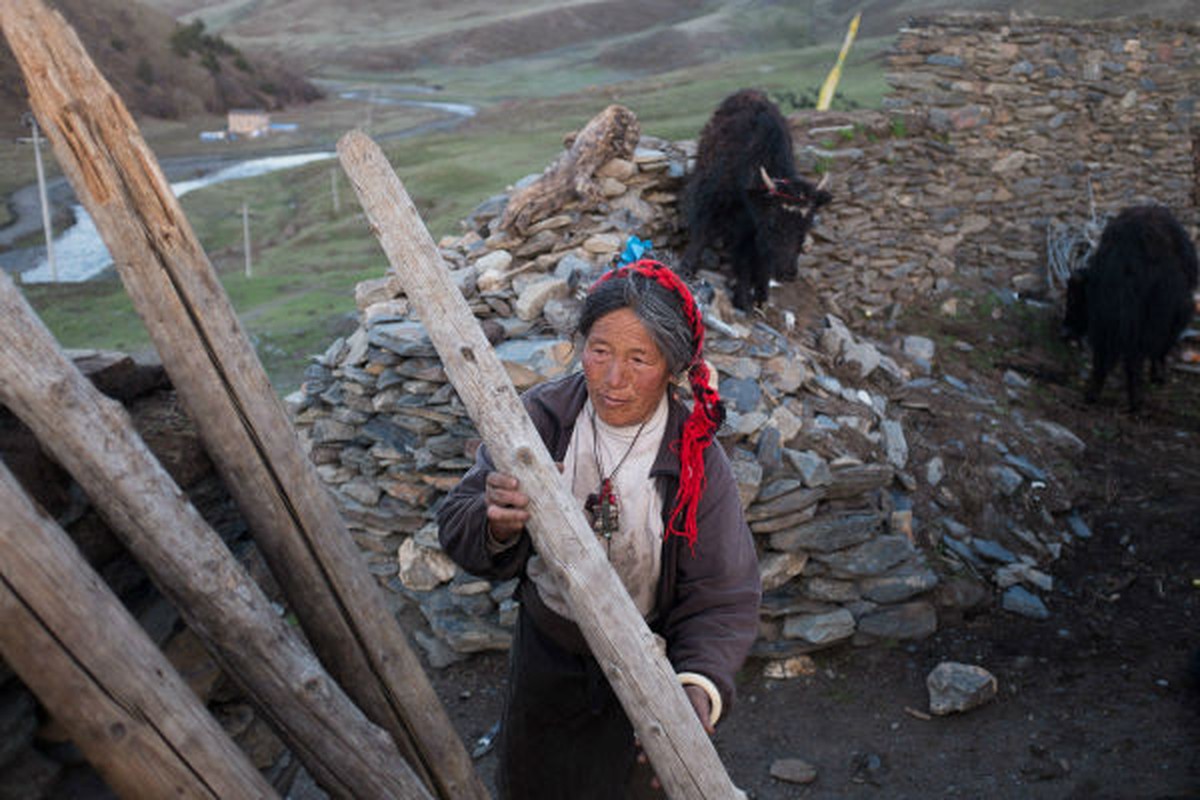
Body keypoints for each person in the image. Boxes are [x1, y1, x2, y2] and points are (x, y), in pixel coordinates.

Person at [437, 259, 761, 799]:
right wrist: (494, 522)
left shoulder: (694, 458)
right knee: (534, 784)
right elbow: (458, 518)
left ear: (673, 368)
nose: (614, 379)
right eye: (600, 351)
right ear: (580, 344)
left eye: (640, 359)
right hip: (548, 652)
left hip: (646, 667)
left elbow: (723, 594)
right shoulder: (541, 420)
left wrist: (695, 687)